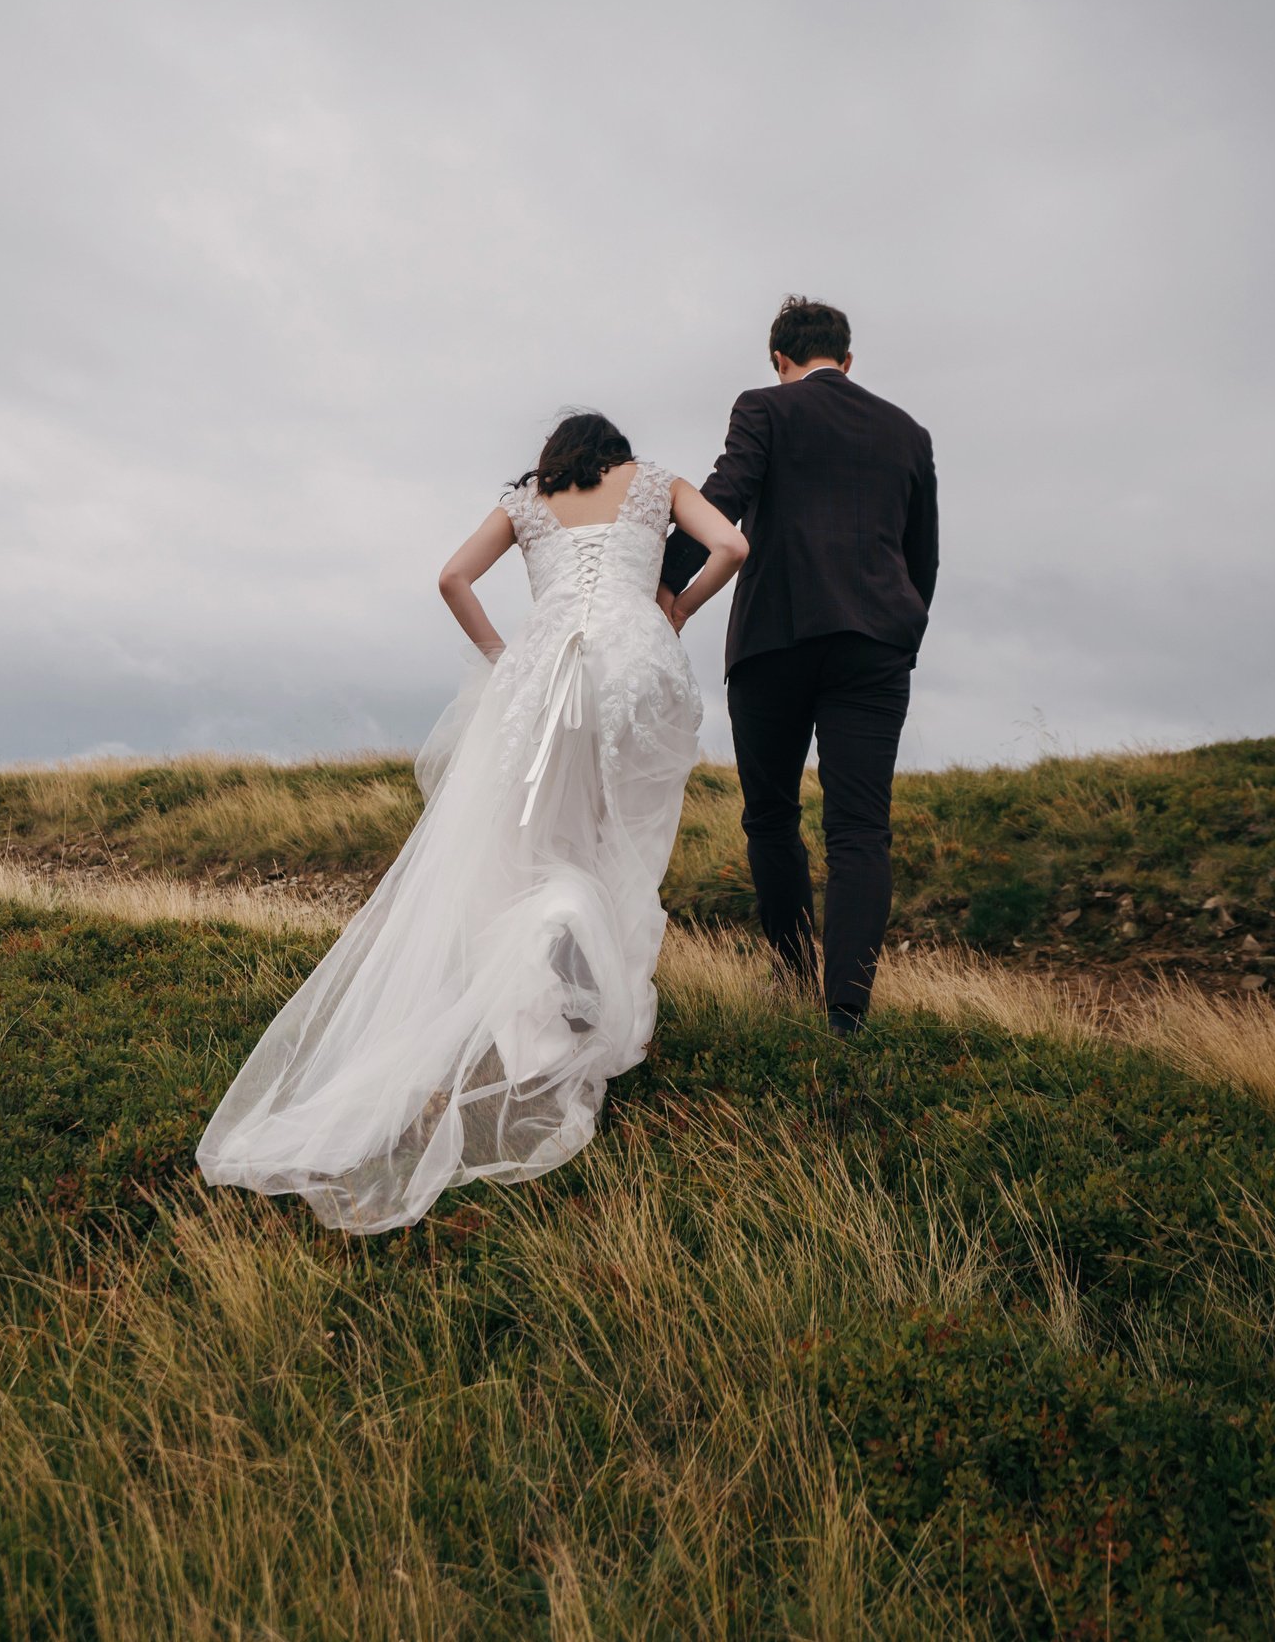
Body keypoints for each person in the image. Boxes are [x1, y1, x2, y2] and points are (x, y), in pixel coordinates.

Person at [197, 413, 747, 1232]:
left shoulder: (528, 501)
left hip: (543, 670)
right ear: (618, 453)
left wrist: (500, 655)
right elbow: (732, 546)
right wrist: (679, 608)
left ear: (555, 457)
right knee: (624, 843)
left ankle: (550, 986)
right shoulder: (658, 483)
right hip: (637, 666)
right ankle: (606, 1000)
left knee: (530, 843)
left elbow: (453, 577)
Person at [660, 297, 938, 1038]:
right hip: (875, 645)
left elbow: (723, 498)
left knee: (771, 816)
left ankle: (790, 977)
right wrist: (902, 633)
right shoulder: (908, 432)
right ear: (846, 359)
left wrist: (663, 586)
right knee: (861, 828)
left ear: (780, 361)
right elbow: (923, 556)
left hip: (774, 638)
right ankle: (846, 1011)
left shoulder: (765, 407)